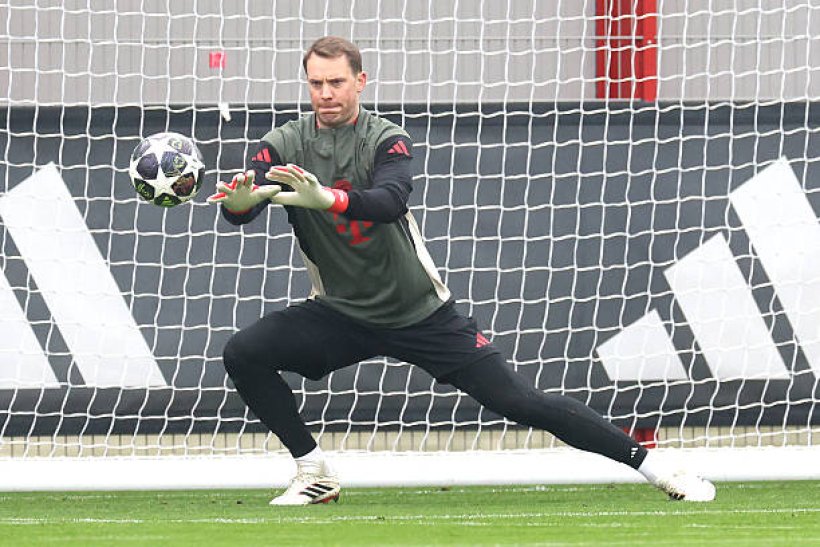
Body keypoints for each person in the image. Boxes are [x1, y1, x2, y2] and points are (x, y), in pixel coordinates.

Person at [208, 36, 716, 506]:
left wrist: (330, 199)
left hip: (420, 313)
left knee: (520, 401)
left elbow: (390, 200)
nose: (325, 93)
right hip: (340, 314)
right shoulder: (284, 142)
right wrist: (239, 203)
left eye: (336, 82)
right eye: (316, 83)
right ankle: (312, 470)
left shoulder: (385, 138)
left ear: (360, 81)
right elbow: (244, 206)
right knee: (245, 353)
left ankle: (657, 468)